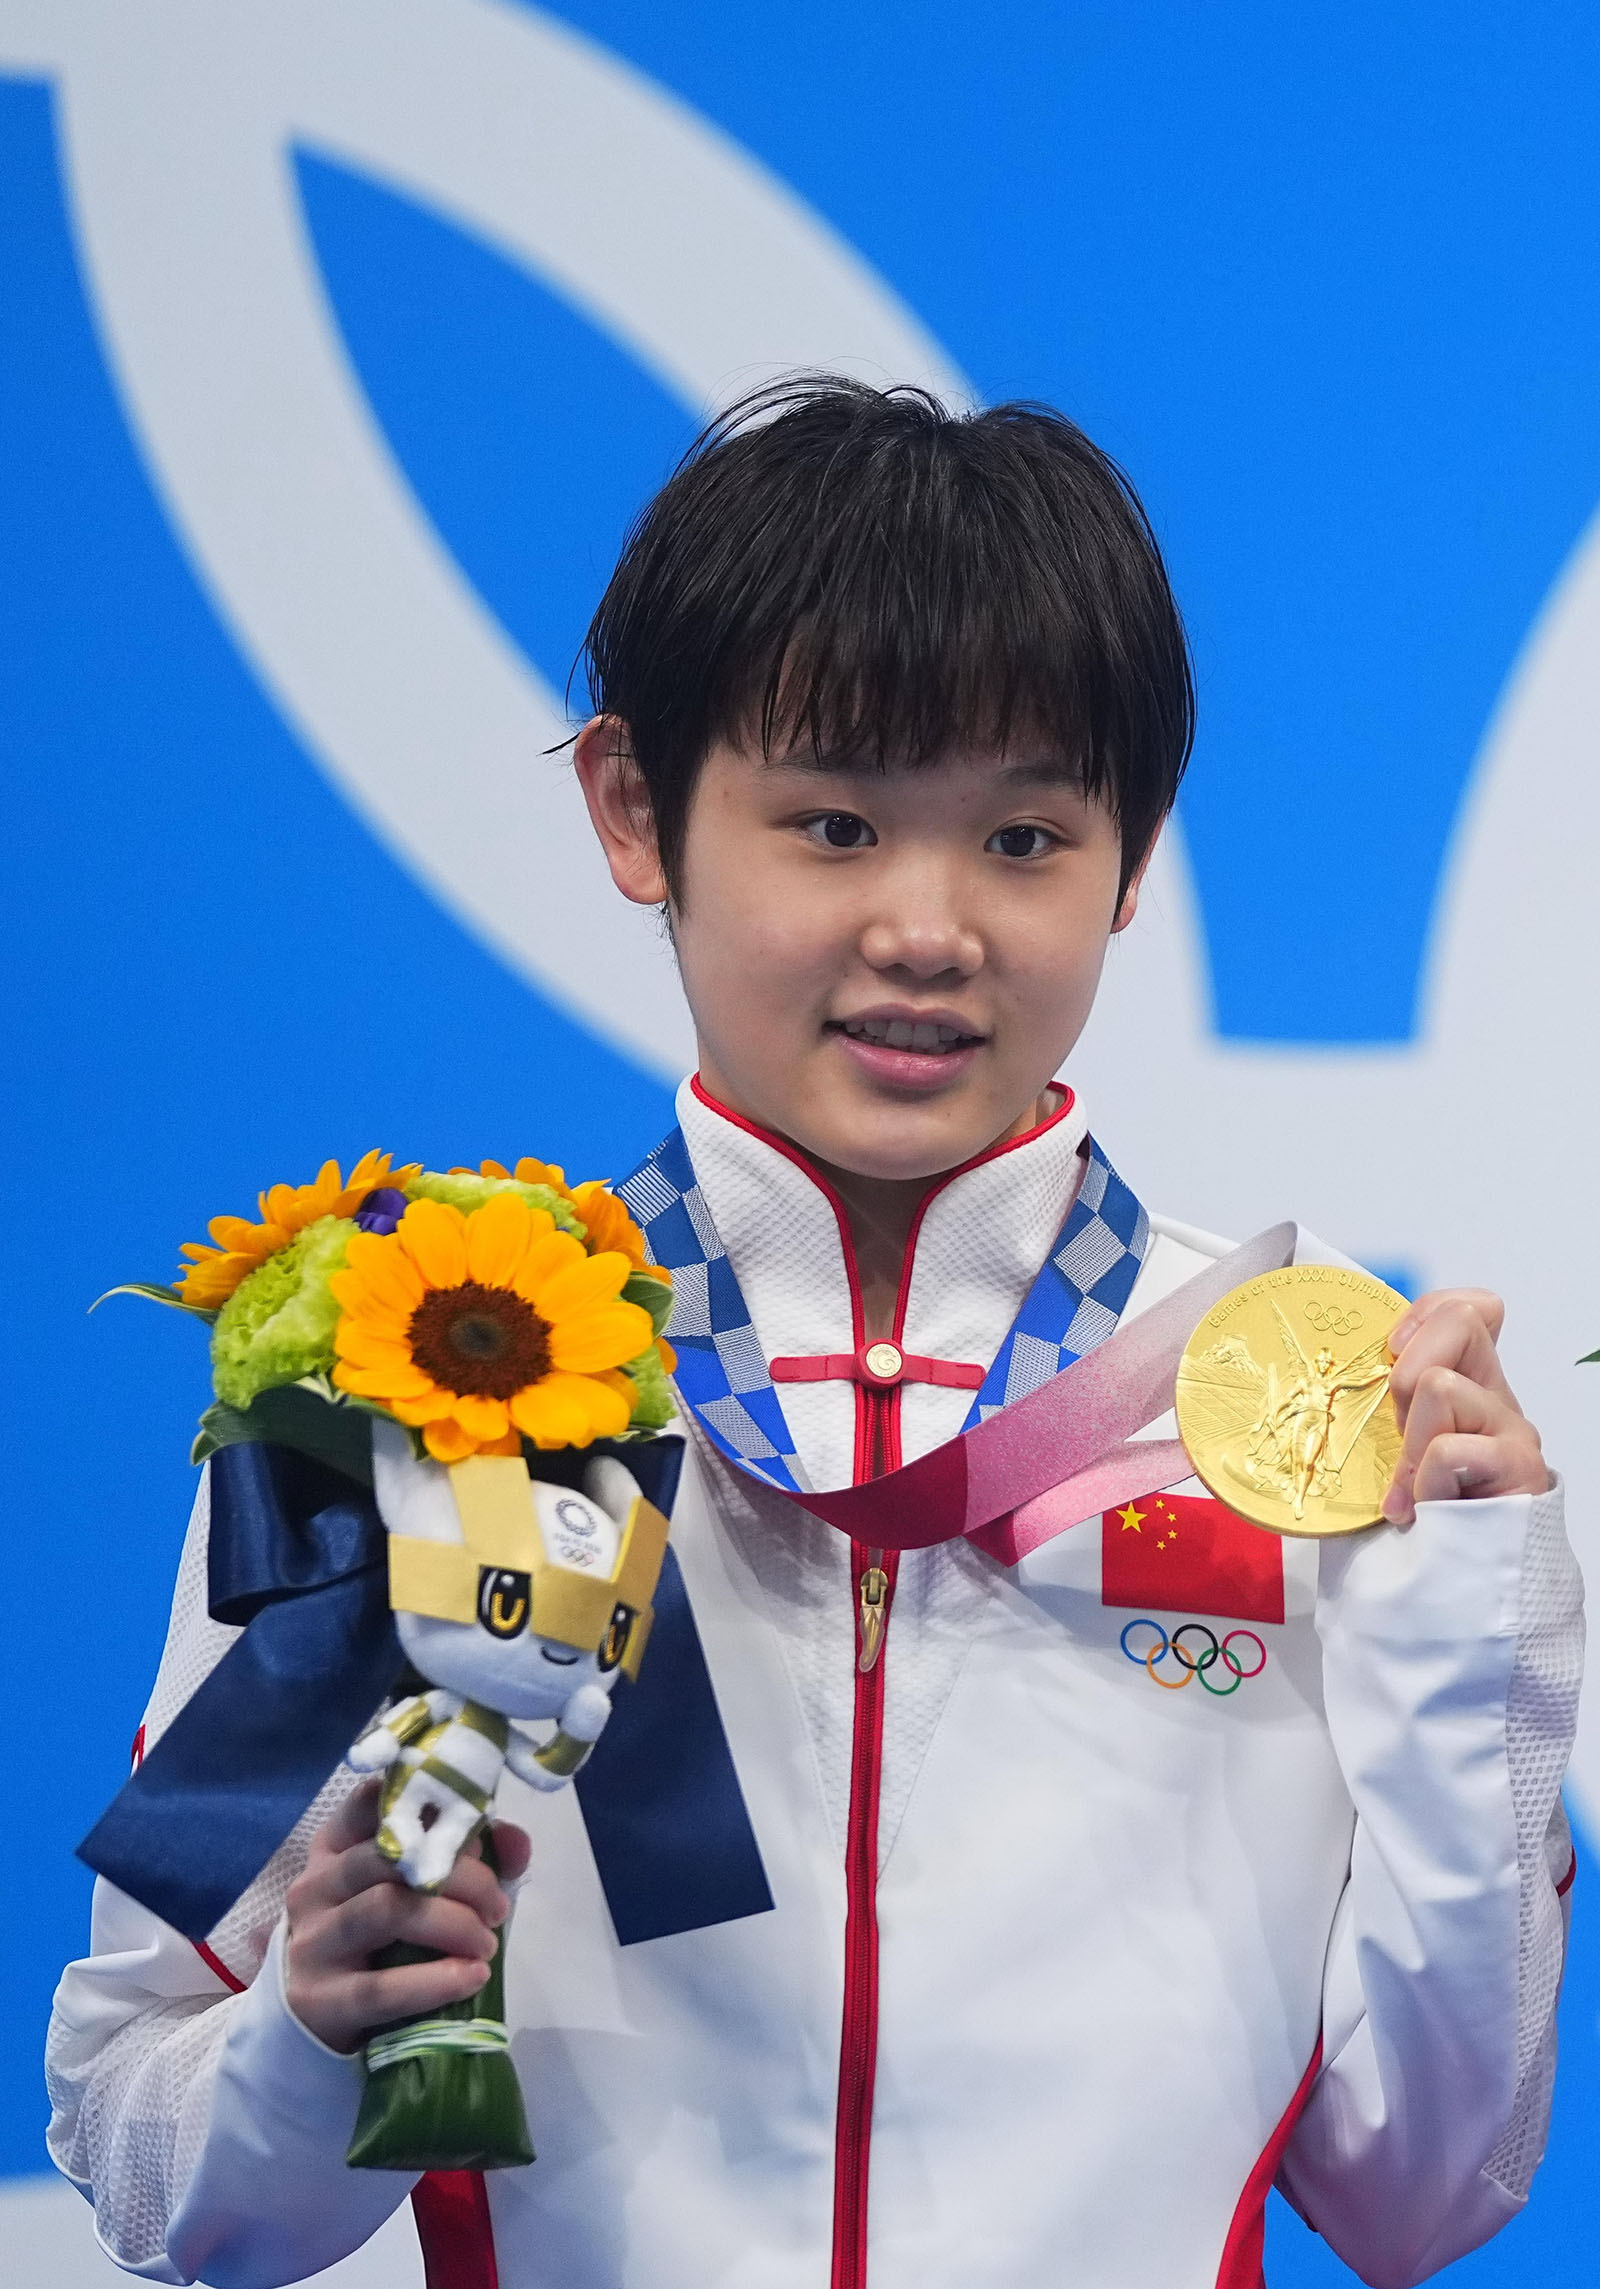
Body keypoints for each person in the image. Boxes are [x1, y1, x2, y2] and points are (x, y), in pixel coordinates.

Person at [46, 380, 1580, 2289]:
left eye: (1024, 836)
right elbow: (146, 2159)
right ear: (635, 809)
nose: (930, 928)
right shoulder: (422, 1379)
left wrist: (1483, 1624)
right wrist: (308, 2038)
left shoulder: (1297, 1403)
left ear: (1135, 855)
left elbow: (1424, 2192)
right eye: (836, 824)